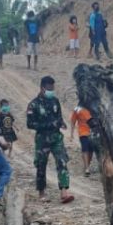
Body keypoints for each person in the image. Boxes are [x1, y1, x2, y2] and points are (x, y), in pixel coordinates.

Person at [25, 76, 75, 204]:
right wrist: (49, 125)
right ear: (42, 88)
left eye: (52, 88)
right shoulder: (33, 104)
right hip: (42, 139)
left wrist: (61, 123)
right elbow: (30, 124)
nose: (51, 91)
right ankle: (41, 193)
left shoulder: (55, 101)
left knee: (62, 162)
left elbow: (58, 116)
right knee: (41, 165)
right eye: (49, 89)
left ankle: (64, 191)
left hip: (56, 138)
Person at [69, 101, 96, 176]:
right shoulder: (77, 109)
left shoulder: (93, 106)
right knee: (85, 149)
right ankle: (87, 168)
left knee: (91, 150)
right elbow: (73, 121)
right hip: (83, 132)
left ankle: (87, 166)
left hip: (93, 132)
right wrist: (71, 134)